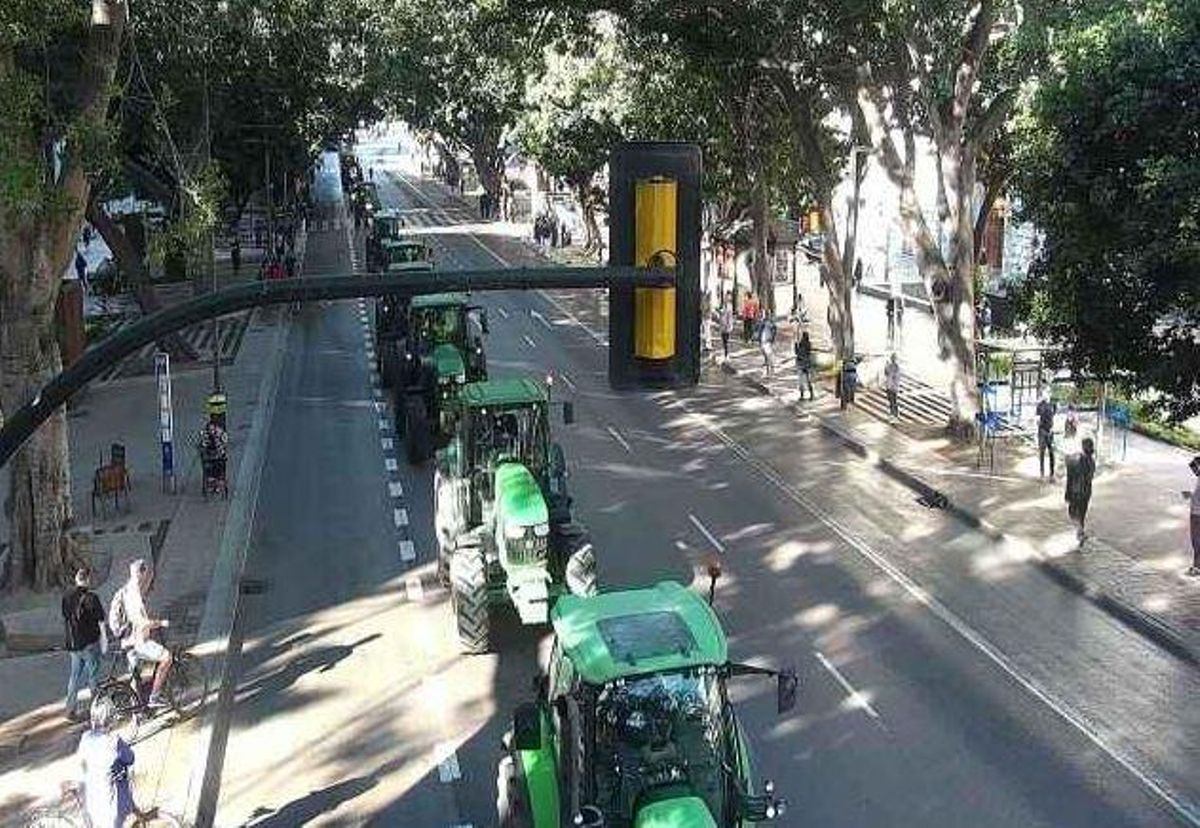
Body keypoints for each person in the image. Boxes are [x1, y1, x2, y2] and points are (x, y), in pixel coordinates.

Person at [111, 559, 172, 708]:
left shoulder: (125, 590)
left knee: (135, 676)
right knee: (167, 658)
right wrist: (160, 623)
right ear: (141, 573)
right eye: (146, 575)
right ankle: (154, 697)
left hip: (126, 641)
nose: (148, 580)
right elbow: (141, 621)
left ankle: (137, 711)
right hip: (138, 642)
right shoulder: (134, 594)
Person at [76, 698, 137, 828]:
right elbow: (130, 758)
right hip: (106, 795)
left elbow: (82, 761)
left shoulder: (86, 736)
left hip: (88, 790)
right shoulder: (114, 741)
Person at [62, 567, 105, 722]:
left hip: (74, 644)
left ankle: (70, 709)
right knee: (93, 675)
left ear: (76, 579)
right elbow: (101, 620)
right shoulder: (91, 598)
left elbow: (66, 617)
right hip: (89, 643)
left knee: (74, 677)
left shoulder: (66, 596)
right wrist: (103, 641)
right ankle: (95, 708)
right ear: (87, 580)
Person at [1064, 436, 1096, 543]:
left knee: (1073, 512)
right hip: (1086, 492)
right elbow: (1089, 477)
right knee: (1082, 513)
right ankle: (1080, 532)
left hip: (1076, 491)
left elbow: (1070, 478)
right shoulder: (1092, 462)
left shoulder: (1075, 460)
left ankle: (1080, 530)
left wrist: (1067, 493)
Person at [1036, 396, 1057, 479]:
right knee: (1044, 452)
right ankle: (1044, 474)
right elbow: (1037, 420)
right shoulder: (1040, 406)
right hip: (1044, 431)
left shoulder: (1052, 405)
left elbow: (1054, 416)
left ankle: (1049, 473)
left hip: (1047, 431)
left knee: (1048, 452)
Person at [1186, 456, 1200, 576]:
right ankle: (1196, 565)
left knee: (1196, 539)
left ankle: (1196, 566)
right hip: (1196, 507)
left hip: (1197, 511)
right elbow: (1193, 463)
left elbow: (1193, 463)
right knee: (1196, 539)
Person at [794, 331, 814, 400]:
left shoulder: (801, 345)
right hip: (807, 364)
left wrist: (796, 344)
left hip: (801, 364)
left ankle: (803, 395)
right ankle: (811, 395)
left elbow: (796, 352)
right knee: (808, 381)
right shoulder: (808, 344)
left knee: (801, 381)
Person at [757, 310, 776, 378]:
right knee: (766, 358)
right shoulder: (762, 322)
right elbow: (758, 331)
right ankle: (767, 372)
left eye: (763, 314)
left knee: (768, 357)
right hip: (763, 341)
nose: (762, 315)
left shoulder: (769, 323)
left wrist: (772, 340)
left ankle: (771, 372)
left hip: (767, 341)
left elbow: (773, 331)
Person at [884, 353, 901, 419]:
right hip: (889, 386)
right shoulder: (889, 365)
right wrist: (886, 366)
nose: (893, 359)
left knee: (893, 400)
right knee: (890, 400)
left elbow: (896, 376)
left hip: (893, 387)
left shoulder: (897, 367)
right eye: (892, 358)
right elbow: (886, 373)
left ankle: (894, 414)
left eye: (894, 358)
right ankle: (893, 413)